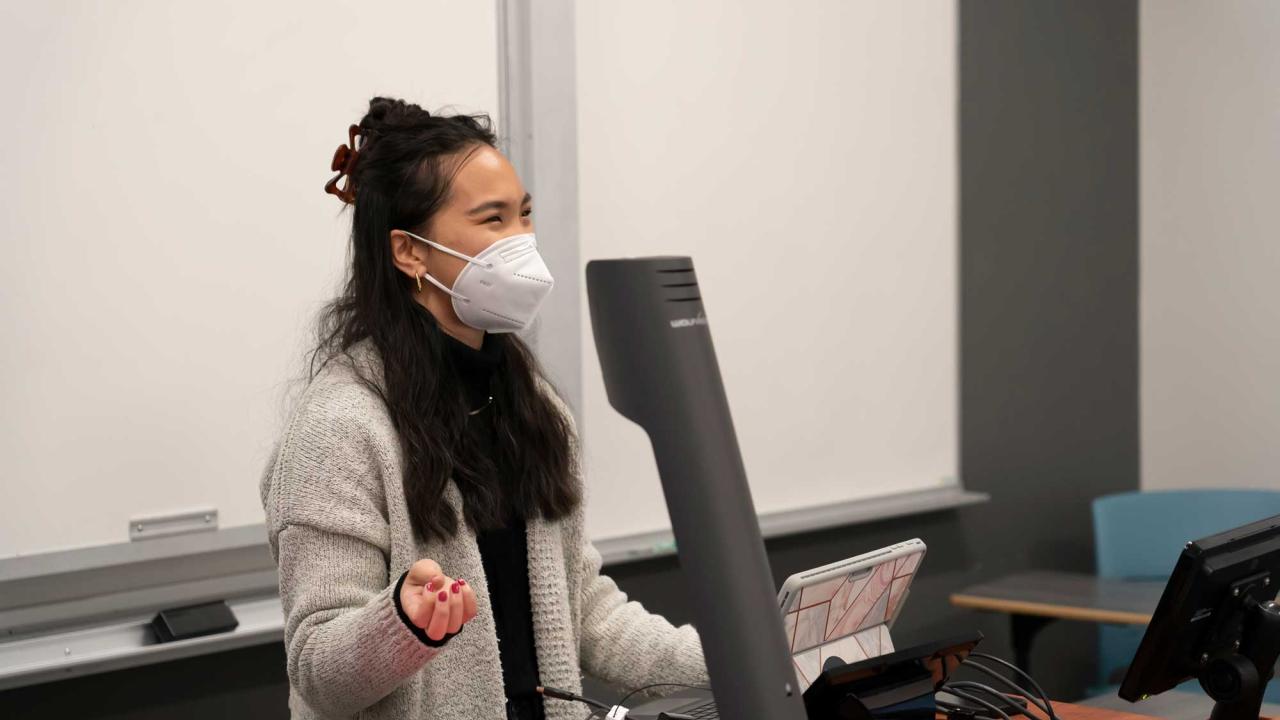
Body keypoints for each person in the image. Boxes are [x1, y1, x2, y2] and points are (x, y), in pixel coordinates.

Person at [258, 96, 709, 720]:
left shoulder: (533, 405)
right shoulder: (338, 428)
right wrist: (401, 624)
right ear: (409, 252)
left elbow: (582, 612)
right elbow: (318, 672)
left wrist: (744, 655)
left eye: (524, 216)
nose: (521, 241)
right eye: (492, 220)